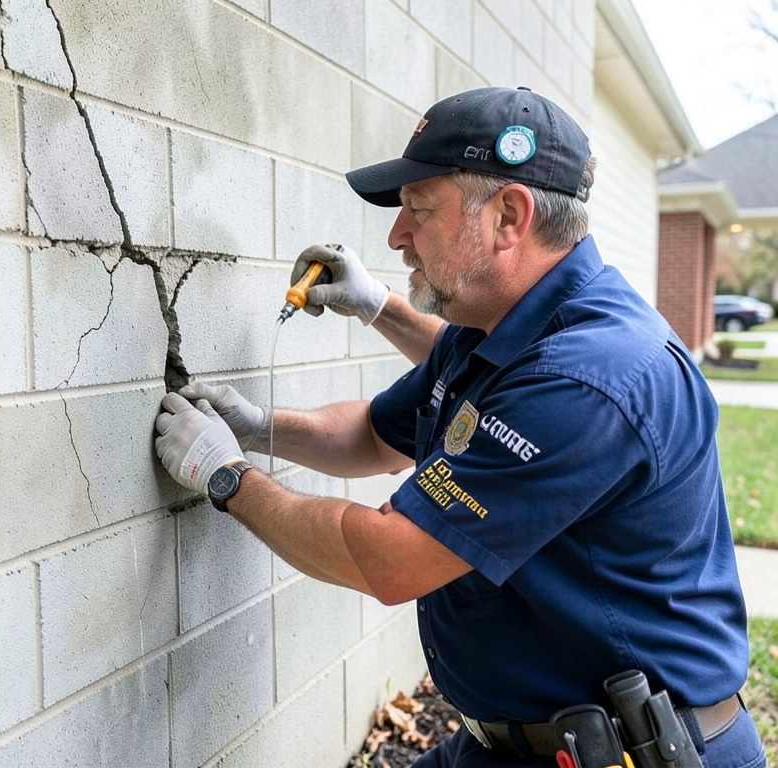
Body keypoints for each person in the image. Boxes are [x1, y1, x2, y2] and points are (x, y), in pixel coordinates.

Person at [153, 86, 766, 767]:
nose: (397, 236)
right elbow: (374, 436)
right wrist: (258, 426)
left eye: (419, 210)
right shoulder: (501, 330)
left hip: (631, 754)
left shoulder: (586, 377)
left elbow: (386, 558)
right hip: (515, 741)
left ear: (509, 217)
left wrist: (227, 478)